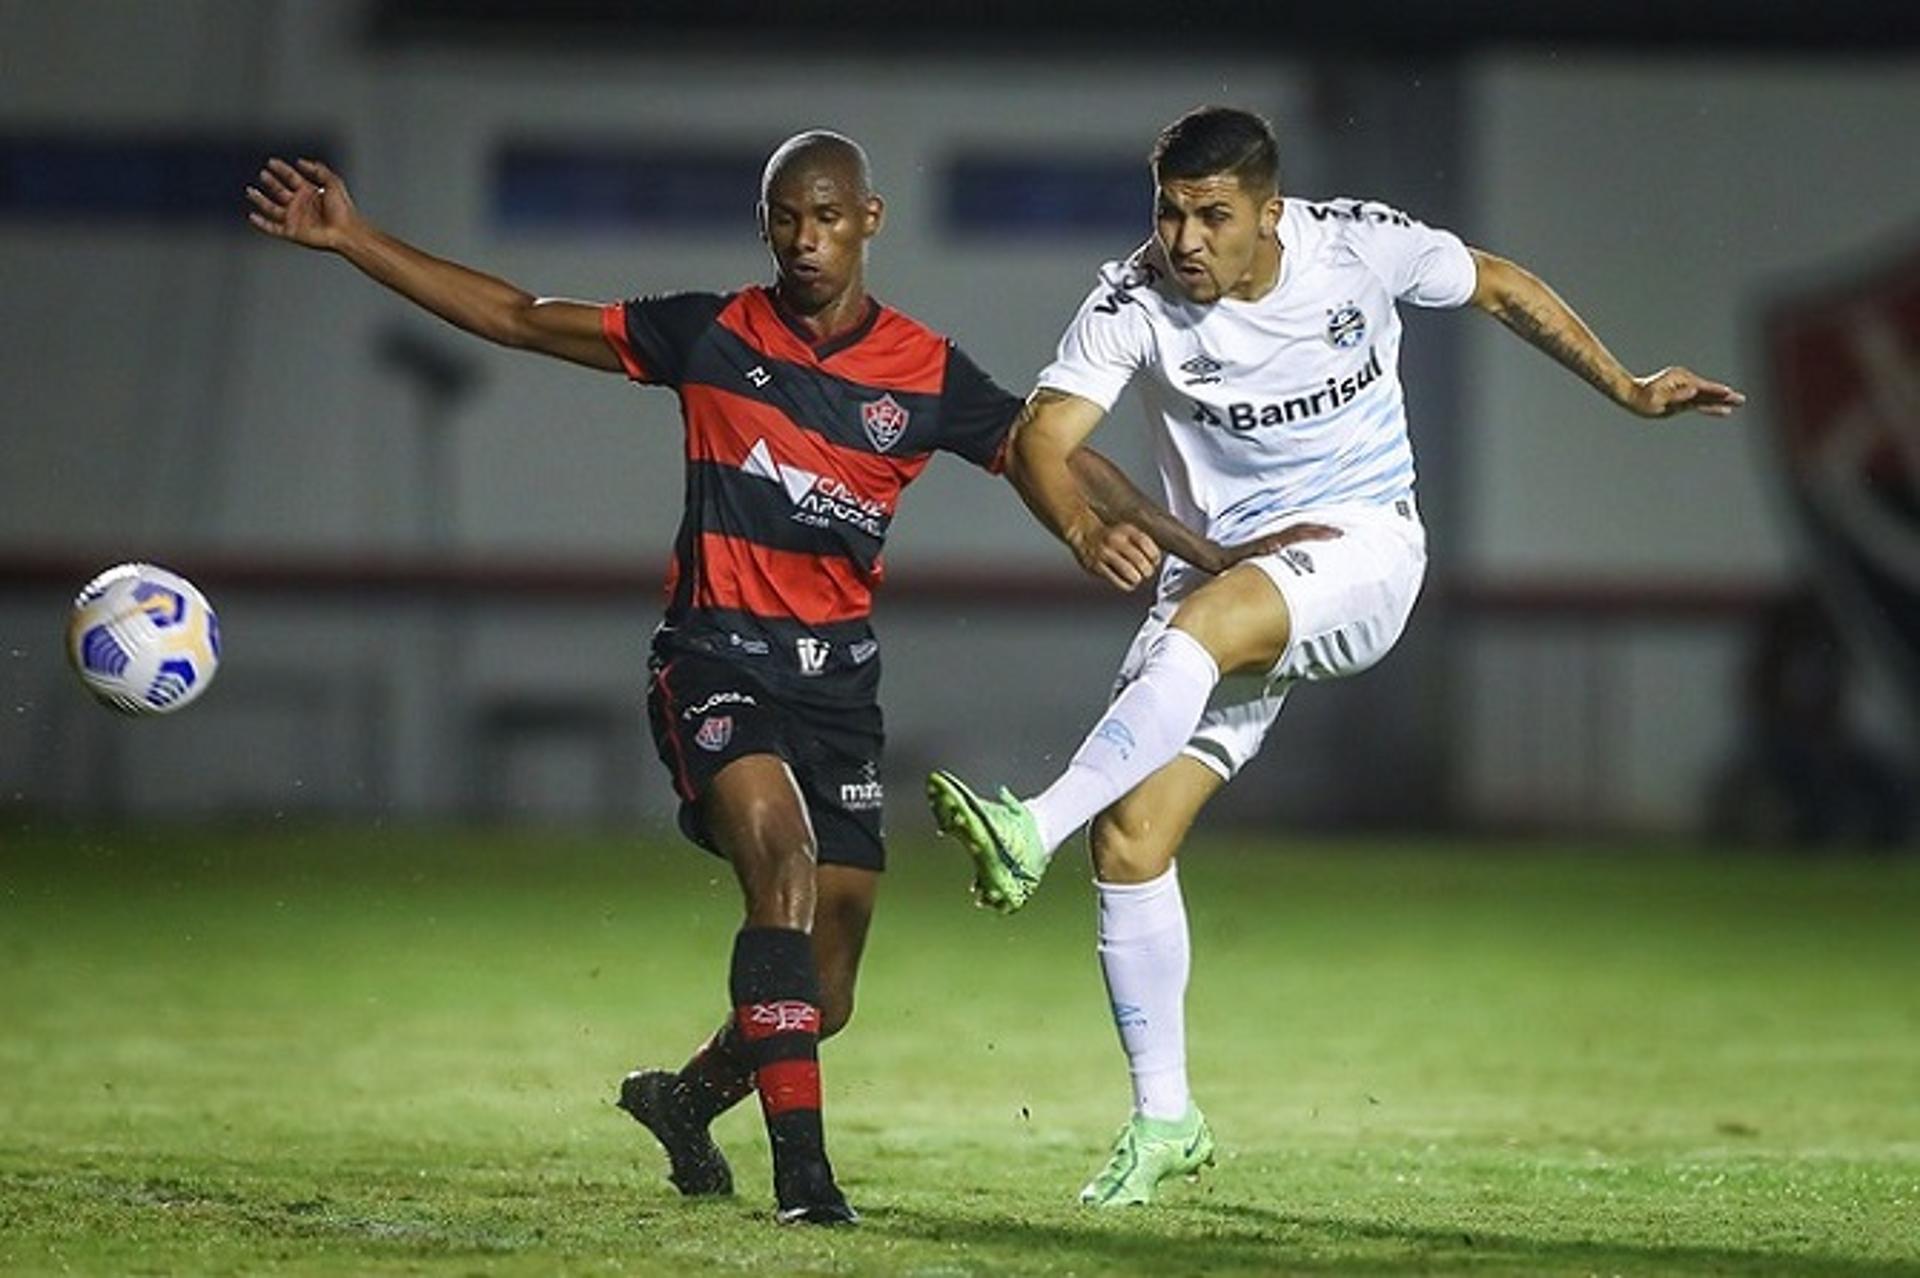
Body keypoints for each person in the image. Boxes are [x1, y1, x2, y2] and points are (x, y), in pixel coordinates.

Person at [247, 131, 1271, 1225]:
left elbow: (1045, 449)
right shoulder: (710, 333)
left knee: (822, 995)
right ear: (765, 225)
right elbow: (518, 314)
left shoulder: (923, 372)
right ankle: (807, 1183)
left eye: (827, 217)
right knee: (779, 869)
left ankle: (682, 1101)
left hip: (839, 694)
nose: (806, 240)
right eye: (786, 218)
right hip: (713, 661)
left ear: (868, 221)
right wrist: (354, 238)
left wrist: (1169, 545)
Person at [925, 105, 1747, 1207]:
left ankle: (1030, 823)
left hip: (1360, 552)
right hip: (1227, 578)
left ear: (1271, 212)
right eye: (1169, 213)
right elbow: (1042, 436)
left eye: (1212, 217)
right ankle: (1167, 1117)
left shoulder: (1356, 244)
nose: (1184, 241)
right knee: (1131, 842)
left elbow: (1496, 282)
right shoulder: (1134, 295)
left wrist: (1632, 391)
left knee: (1198, 633)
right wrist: (1081, 530)